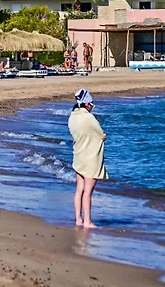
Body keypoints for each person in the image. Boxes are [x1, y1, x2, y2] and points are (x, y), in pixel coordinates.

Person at [68, 89, 108, 228]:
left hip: (78, 156)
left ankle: (78, 219)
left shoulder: (72, 117)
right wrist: (103, 136)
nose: (92, 107)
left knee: (79, 189)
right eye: (91, 104)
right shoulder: (89, 118)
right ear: (87, 104)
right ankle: (87, 221)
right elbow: (101, 134)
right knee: (88, 192)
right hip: (90, 158)